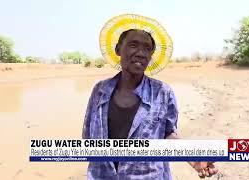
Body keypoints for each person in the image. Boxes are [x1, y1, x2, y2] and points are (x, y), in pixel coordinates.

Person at [82, 14, 218, 179]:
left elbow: (168, 134)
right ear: (118, 49)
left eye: (147, 48)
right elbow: (88, 136)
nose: (141, 53)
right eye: (133, 45)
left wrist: (193, 158)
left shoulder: (162, 92)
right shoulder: (100, 90)